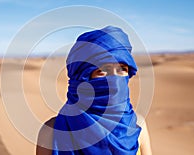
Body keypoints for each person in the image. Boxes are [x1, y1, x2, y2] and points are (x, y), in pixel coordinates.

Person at [36, 26, 152, 155]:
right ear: (81, 79)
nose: (114, 79)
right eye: (102, 71)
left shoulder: (136, 125)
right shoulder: (52, 132)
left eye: (122, 69)